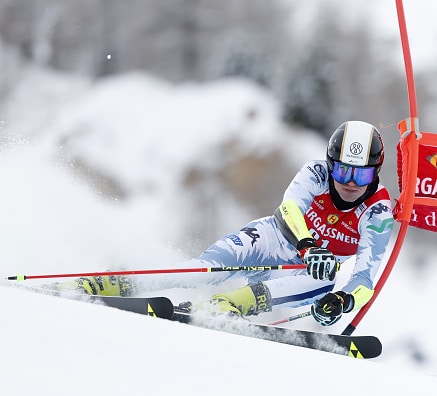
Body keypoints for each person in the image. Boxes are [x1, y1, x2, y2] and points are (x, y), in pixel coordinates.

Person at [57, 121, 394, 326]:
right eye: (343, 170)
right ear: (330, 164)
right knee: (199, 270)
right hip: (274, 238)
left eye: (361, 173)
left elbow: (365, 277)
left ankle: (221, 307)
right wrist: (308, 245)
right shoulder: (315, 172)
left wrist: (343, 301)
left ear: (375, 172)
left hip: (309, 274)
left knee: (326, 278)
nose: (350, 182)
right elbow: (289, 209)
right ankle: (114, 283)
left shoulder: (377, 212)